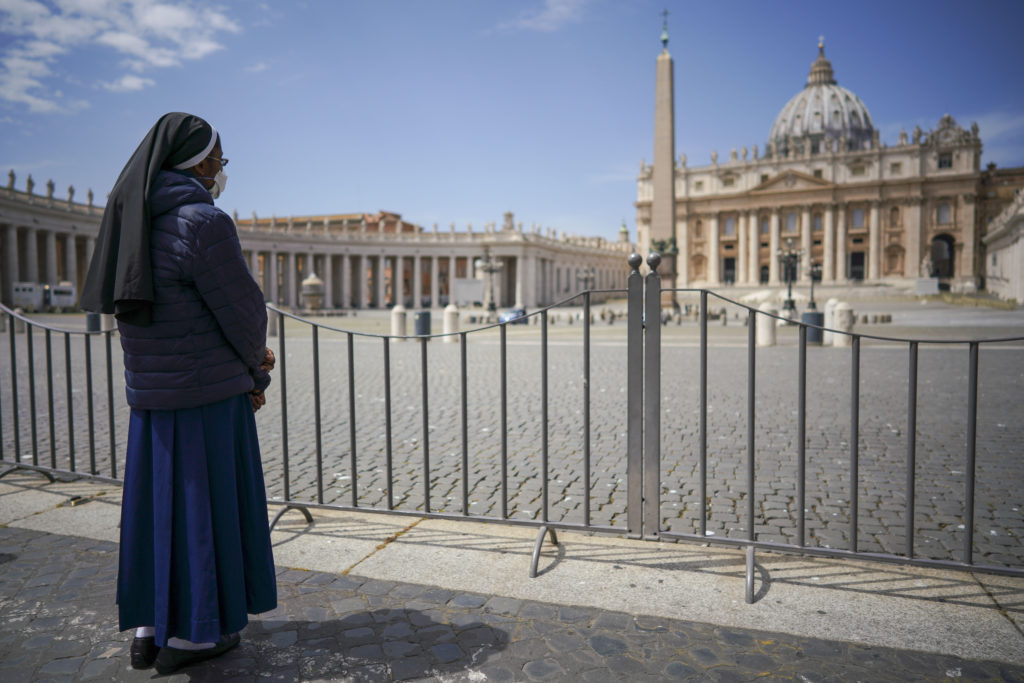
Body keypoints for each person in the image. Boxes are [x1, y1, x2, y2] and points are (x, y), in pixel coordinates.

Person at [81, 113, 277, 675]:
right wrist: (257, 372)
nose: (222, 171)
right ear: (200, 163)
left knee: (155, 512)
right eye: (221, 160)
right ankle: (194, 638)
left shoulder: (131, 218)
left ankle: (148, 628)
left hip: (151, 397)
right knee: (204, 511)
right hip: (207, 395)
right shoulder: (203, 221)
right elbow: (243, 315)